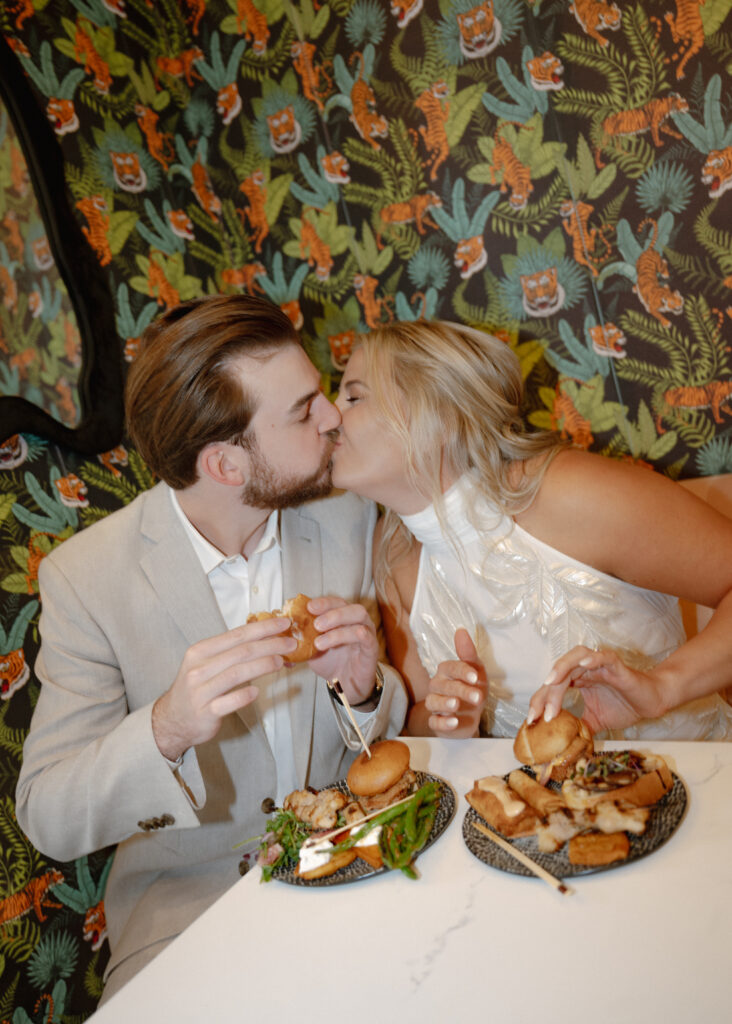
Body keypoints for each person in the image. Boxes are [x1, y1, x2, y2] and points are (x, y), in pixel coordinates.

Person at [16, 295, 407, 1002]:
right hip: (185, 919)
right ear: (227, 464)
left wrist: (366, 689)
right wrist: (164, 728)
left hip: (355, 874)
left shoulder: (348, 513)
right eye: (304, 409)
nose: (332, 417)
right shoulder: (85, 578)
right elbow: (49, 814)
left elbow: (389, 727)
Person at [330, 318, 732, 741]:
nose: (328, 414)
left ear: (443, 416)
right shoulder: (392, 553)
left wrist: (662, 688)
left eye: (353, 396)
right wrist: (453, 720)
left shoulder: (567, 491)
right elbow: (417, 713)